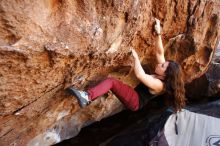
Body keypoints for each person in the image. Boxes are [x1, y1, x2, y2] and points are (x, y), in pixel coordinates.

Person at [66, 18, 186, 112]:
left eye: (163, 66)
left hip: (135, 102)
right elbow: (160, 53)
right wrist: (158, 32)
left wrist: (135, 57)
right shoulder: (161, 74)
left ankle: (87, 97)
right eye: (163, 64)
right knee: (111, 83)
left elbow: (140, 75)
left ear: (166, 75)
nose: (161, 64)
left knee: (111, 82)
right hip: (134, 96)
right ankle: (90, 95)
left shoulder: (159, 85)